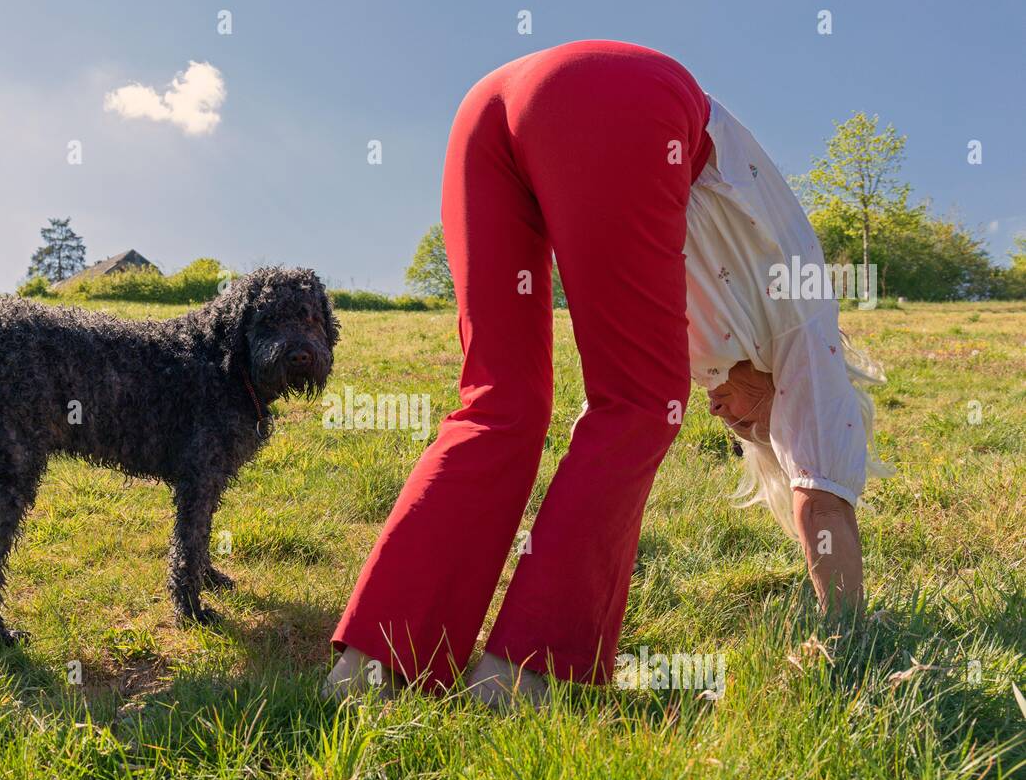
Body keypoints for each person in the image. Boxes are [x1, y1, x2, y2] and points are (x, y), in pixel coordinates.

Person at [325, 40, 890, 706]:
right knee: (643, 404)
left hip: (491, 105)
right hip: (623, 95)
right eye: (753, 424)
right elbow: (821, 489)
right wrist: (849, 635)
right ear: (794, 396)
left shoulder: (735, 340)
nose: (729, 421)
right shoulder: (806, 330)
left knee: (500, 404)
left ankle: (374, 668)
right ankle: (524, 678)